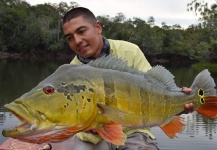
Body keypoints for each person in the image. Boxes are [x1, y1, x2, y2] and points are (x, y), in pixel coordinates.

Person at [62, 7, 193, 150]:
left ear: (98, 27)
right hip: (93, 138)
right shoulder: (71, 72)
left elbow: (155, 87)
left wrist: (178, 98)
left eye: (81, 31)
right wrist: (81, 126)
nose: (77, 41)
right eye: (70, 38)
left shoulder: (130, 51)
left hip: (133, 132)